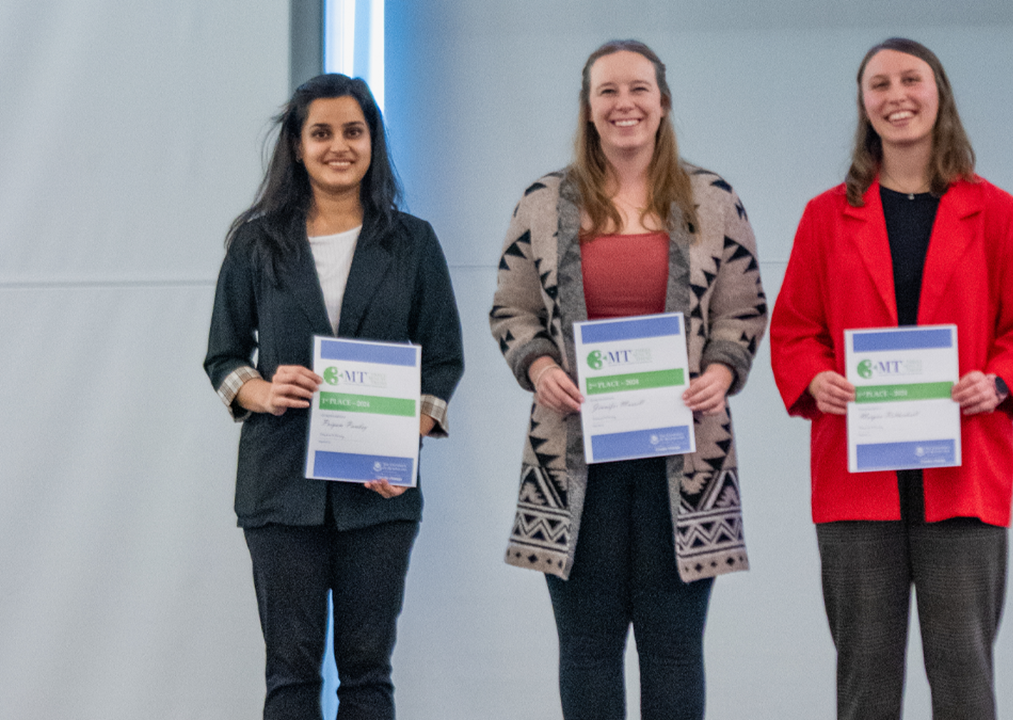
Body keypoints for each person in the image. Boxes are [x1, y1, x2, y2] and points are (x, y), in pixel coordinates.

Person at [770, 38, 1013, 720]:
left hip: (962, 478)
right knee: (865, 683)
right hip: (856, 481)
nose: (896, 95)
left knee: (963, 678)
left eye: (910, 79)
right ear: (864, 106)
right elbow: (793, 330)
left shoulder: (998, 213)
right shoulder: (824, 216)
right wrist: (815, 378)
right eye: (878, 84)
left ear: (939, 94)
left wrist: (1000, 382)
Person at [489, 39, 767, 720]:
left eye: (638, 89)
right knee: (587, 650)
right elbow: (512, 308)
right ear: (587, 108)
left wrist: (722, 369)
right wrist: (540, 363)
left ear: (663, 103)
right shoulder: (541, 202)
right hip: (574, 461)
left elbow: (744, 308)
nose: (624, 104)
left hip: (685, 462)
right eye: (608, 91)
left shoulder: (713, 199)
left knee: (674, 650)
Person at [203, 73, 463, 720]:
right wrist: (262, 391)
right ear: (296, 146)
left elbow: (444, 359)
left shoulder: (413, 243)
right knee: (290, 679)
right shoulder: (257, 243)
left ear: (372, 140)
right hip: (278, 488)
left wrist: (413, 432)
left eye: (353, 131)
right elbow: (223, 355)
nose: (338, 145)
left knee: (367, 679)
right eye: (321, 133)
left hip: (378, 496)